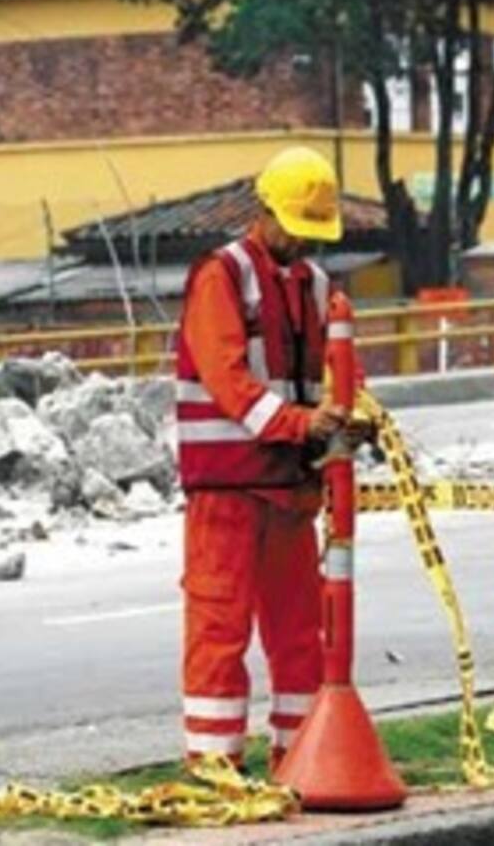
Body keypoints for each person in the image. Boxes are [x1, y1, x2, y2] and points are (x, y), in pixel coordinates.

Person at [175, 147, 349, 770]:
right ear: (264, 211)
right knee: (220, 627)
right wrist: (303, 423)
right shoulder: (221, 277)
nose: (302, 243)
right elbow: (229, 383)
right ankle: (215, 765)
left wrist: (348, 422)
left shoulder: (317, 288)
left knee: (301, 634)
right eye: (295, 228)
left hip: (289, 487)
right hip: (226, 488)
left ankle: (301, 759)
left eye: (312, 232)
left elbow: (335, 380)